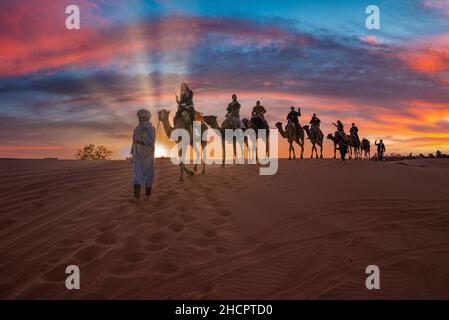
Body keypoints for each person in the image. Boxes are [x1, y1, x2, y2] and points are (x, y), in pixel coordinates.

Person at [130, 109, 156, 203]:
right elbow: (133, 142)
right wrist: (132, 153)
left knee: (149, 174)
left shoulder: (151, 129)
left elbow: (151, 140)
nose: (141, 119)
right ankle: (136, 197)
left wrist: (141, 142)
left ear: (147, 118)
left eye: (143, 117)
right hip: (138, 155)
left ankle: (148, 195)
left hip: (148, 154)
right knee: (137, 174)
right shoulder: (136, 129)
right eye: (140, 117)